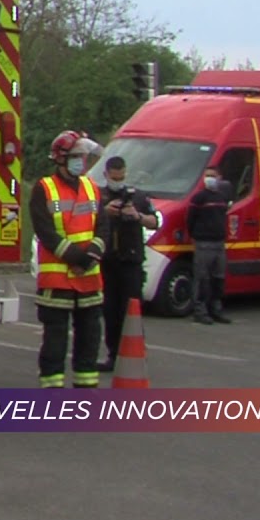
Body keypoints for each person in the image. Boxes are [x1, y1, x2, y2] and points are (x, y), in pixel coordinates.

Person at [28, 130, 113, 388]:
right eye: (76, 157)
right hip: (58, 279)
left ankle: (85, 388)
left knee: (89, 337)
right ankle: (52, 388)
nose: (82, 162)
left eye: (83, 157)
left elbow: (103, 227)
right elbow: (45, 231)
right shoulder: (44, 189)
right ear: (61, 159)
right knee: (55, 340)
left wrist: (91, 256)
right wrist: (76, 257)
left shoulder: (92, 188)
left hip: (88, 277)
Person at [97, 156, 159, 371]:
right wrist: (105, 211)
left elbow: (155, 221)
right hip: (108, 262)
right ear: (106, 175)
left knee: (131, 311)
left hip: (131, 263)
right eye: (114, 177)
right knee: (110, 312)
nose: (118, 180)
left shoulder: (137, 197)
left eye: (121, 176)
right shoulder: (99, 196)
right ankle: (113, 355)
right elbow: (85, 219)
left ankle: (136, 354)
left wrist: (137, 215)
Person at [188, 165, 232, 325]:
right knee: (202, 278)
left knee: (218, 279)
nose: (210, 178)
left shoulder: (221, 197)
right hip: (203, 242)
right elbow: (190, 219)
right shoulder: (198, 198)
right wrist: (194, 236)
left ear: (219, 177)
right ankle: (200, 311)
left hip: (219, 243)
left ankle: (216, 310)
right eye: (207, 175)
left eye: (213, 175)